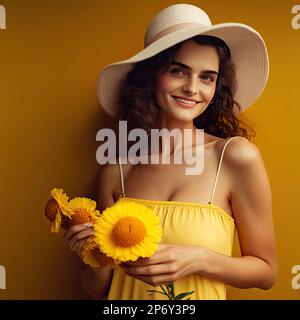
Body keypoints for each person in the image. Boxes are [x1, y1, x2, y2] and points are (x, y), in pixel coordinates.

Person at [63, 3, 277, 300]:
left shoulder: (235, 157)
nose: (192, 88)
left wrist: (200, 259)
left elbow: (266, 272)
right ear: (151, 77)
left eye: (207, 77)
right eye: (178, 71)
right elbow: (100, 289)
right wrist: (92, 251)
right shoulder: (117, 173)